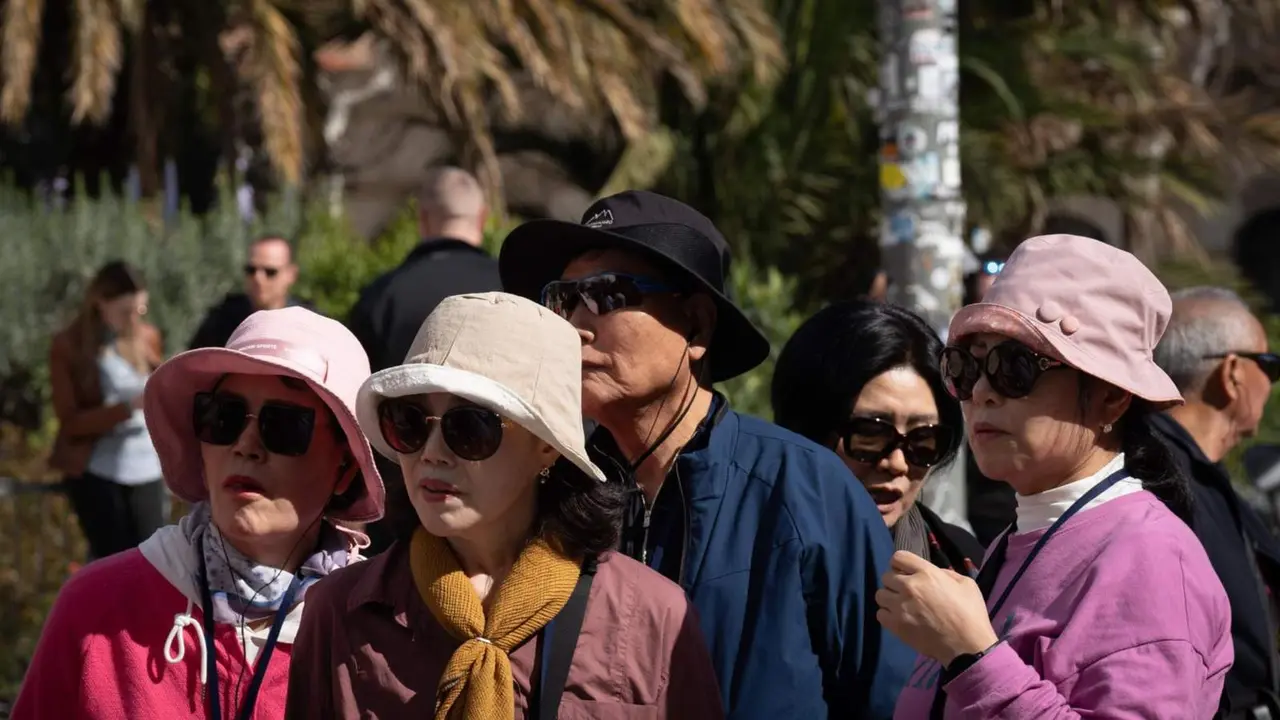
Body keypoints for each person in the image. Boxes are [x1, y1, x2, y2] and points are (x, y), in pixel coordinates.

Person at [498, 191, 912, 720]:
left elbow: (894, 699)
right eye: (563, 298)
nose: (575, 324)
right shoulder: (551, 490)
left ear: (695, 325)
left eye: (606, 294)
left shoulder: (803, 489)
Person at [287, 292, 722, 718]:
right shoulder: (338, 612)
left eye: (470, 427)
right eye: (409, 423)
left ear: (547, 447)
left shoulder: (653, 617)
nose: (432, 453)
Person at [883, 234, 1233, 718]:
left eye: (1014, 367)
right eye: (965, 367)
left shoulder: (1150, 557)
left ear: (1111, 396)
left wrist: (972, 656)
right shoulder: (1026, 535)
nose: (980, 391)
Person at [12, 307, 385, 719]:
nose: (245, 445)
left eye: (284, 426)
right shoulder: (95, 609)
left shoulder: (382, 638)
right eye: (223, 418)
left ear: (345, 467)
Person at [348, 166, 502, 555]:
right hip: (500, 515)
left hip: (400, 516)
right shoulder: (516, 292)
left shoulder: (382, 296)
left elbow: (355, 406)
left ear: (423, 218)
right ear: (483, 217)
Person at [772, 300, 983, 572]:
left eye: (923, 440)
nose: (897, 463)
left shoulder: (965, 565)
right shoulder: (744, 556)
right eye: (871, 435)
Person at [1152, 286, 1280, 718]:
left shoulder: (1190, 471)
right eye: (1270, 366)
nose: (1272, 383)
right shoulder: (1160, 476)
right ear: (1233, 373)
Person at [49, 260, 166, 560]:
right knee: (112, 564)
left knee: (152, 562)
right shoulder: (70, 346)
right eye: (125, 311)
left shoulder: (146, 336)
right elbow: (70, 422)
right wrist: (126, 408)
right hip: (99, 469)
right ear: (100, 303)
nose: (134, 319)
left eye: (140, 309)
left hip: (146, 466)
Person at [189, 234, 309, 349]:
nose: (258, 278)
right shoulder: (221, 321)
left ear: (291, 274)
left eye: (270, 272)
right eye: (251, 270)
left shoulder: (308, 324)